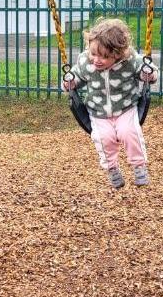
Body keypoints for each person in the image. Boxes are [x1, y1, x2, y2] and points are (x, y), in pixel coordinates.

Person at [63, 18, 157, 189]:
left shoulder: (130, 62)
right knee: (103, 138)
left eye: (105, 56)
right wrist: (70, 82)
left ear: (118, 54)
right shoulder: (86, 62)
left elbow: (147, 71)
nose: (97, 60)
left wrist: (148, 74)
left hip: (125, 108)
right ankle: (112, 169)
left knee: (129, 132)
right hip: (98, 112)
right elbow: (77, 76)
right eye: (94, 53)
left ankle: (139, 167)